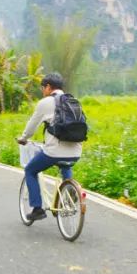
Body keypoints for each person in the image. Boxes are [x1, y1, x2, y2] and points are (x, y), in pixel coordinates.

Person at [16, 72, 83, 221]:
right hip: (76, 151)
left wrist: (23, 138)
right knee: (65, 165)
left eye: (43, 88)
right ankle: (69, 192)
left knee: (30, 170)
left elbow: (32, 126)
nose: (43, 91)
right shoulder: (74, 100)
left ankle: (37, 209)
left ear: (48, 87)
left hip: (54, 151)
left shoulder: (45, 103)